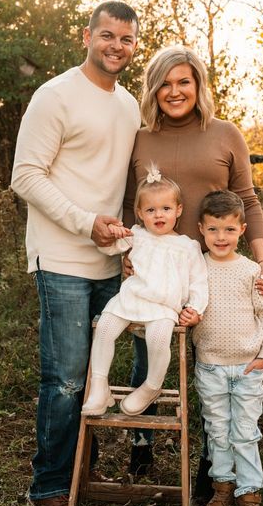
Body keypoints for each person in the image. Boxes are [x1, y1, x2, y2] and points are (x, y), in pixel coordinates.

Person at [122, 45, 263, 496]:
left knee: (212, 364)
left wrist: (262, 260)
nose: (174, 91)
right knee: (146, 356)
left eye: (183, 81)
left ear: (198, 85)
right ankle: (141, 444)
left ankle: (214, 468)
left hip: (215, 271)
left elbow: (248, 201)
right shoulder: (141, 137)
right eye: (165, 83)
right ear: (154, 89)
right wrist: (125, 254)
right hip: (154, 271)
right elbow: (126, 202)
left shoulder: (225, 133)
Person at [10, 1, 140, 506]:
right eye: (106, 35)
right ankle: (49, 486)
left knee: (96, 378)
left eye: (126, 39)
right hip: (62, 256)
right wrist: (85, 222)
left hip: (110, 260)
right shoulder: (55, 95)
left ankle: (83, 472)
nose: (116, 46)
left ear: (134, 45)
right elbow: (25, 176)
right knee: (64, 378)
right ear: (86, 36)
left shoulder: (131, 106)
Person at [82, 169, 208, 417]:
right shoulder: (136, 235)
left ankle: (151, 386)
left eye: (165, 209)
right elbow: (109, 249)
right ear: (140, 214)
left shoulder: (187, 246)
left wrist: (196, 308)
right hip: (130, 299)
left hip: (164, 306)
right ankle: (99, 385)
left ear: (178, 210)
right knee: (105, 327)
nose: (158, 214)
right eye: (150, 210)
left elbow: (199, 282)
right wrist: (113, 235)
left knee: (159, 337)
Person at [189, 189, 263, 506]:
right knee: (217, 431)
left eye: (228, 229)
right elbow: (190, 306)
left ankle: (250, 496)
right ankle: (222, 488)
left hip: (246, 368)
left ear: (242, 229)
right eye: (213, 229)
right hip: (209, 364)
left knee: (244, 432)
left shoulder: (251, 270)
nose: (220, 237)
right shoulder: (196, 269)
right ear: (201, 229)